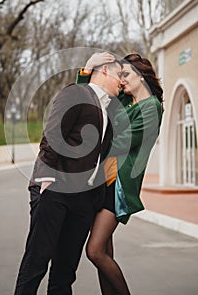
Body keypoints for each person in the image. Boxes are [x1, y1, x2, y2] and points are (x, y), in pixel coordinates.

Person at [14, 55, 122, 295]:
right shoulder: (76, 94)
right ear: (104, 70)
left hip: (84, 200)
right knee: (36, 261)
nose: (122, 81)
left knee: (65, 272)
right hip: (56, 190)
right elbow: (53, 134)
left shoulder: (109, 109)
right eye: (119, 75)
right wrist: (46, 178)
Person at [76, 52, 164, 295]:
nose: (121, 80)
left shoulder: (151, 108)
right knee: (105, 254)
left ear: (142, 76)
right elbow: (87, 100)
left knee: (94, 251)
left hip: (118, 187)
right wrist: (87, 72)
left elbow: (122, 140)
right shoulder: (125, 101)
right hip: (103, 182)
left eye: (125, 74)